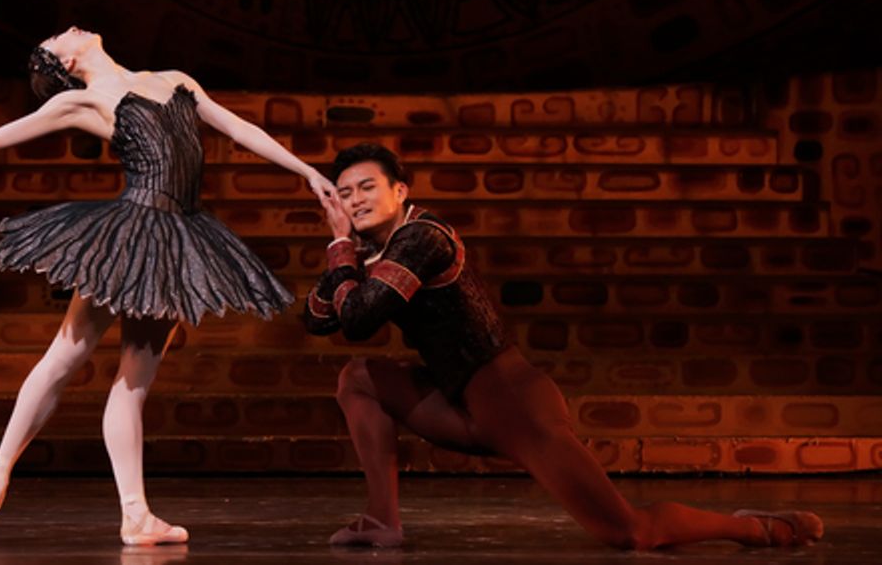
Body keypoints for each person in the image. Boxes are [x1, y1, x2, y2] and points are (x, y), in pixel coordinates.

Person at [0, 26, 337, 545]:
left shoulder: (174, 80)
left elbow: (238, 126)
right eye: (57, 36)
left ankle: (135, 514)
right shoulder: (84, 101)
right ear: (61, 64)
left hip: (177, 236)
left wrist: (305, 170)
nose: (69, 28)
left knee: (134, 382)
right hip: (131, 232)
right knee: (66, 356)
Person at [303, 143, 824, 550]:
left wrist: (340, 248)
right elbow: (317, 317)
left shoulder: (424, 236)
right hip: (459, 405)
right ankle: (382, 521)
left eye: (367, 187)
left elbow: (357, 317)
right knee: (358, 378)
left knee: (630, 534)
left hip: (511, 401)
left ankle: (755, 529)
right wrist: (344, 253)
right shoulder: (378, 254)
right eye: (344, 194)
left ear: (399, 191)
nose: (354, 201)